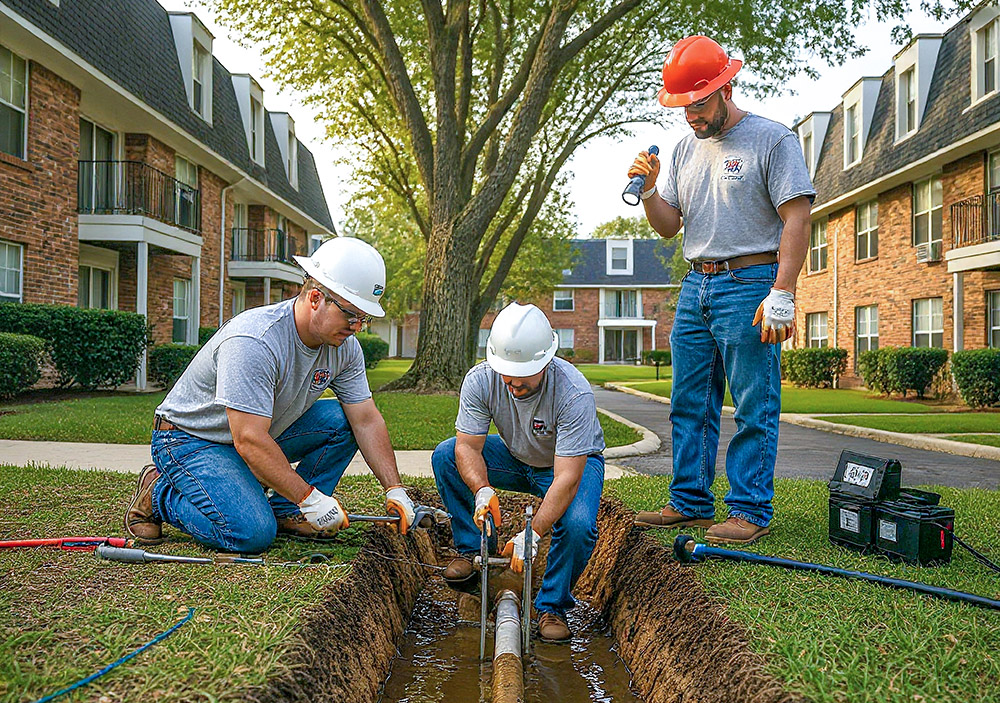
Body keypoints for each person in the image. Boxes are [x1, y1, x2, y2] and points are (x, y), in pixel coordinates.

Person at [627, 35, 815, 544]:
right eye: (684, 106)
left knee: (754, 402)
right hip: (696, 286)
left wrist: (783, 290)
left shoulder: (771, 140)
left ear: (726, 87)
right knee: (689, 402)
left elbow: (797, 219)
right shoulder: (685, 150)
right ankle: (688, 501)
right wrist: (648, 190)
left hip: (752, 283)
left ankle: (750, 509)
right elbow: (668, 226)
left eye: (700, 102)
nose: (692, 115)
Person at [124, 236, 416, 553]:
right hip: (190, 440)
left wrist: (395, 489)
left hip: (255, 433)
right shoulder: (255, 340)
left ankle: (289, 512)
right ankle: (158, 493)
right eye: (351, 315)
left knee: (342, 421)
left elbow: (366, 420)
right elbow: (249, 439)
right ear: (316, 298)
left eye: (365, 318)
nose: (358, 326)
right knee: (252, 533)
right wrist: (310, 497)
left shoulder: (345, 349)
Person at [432, 302, 605, 642]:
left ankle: (551, 605)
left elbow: (567, 478)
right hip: (512, 456)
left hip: (566, 464)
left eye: (521, 373)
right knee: (445, 456)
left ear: (544, 361)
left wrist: (533, 534)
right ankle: (473, 551)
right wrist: (481, 489)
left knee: (578, 525)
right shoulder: (481, 380)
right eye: (504, 371)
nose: (510, 381)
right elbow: (467, 447)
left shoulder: (573, 393)